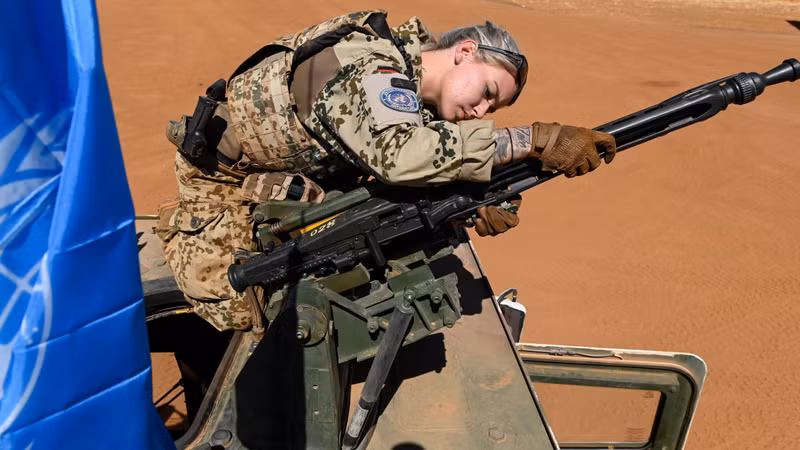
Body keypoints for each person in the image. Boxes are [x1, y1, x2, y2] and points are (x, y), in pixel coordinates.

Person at [156, 10, 616, 331]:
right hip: (225, 190)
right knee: (247, 313)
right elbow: (397, 156)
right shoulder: (374, 66)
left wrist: (477, 201)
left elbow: (421, 156)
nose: (482, 111)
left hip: (294, 183)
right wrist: (526, 141)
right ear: (466, 51)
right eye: (489, 91)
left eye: (493, 106)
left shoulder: (414, 94)